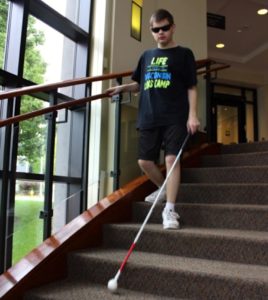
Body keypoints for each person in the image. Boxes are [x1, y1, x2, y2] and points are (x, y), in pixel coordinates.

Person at [106, 8, 200, 229]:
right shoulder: (146, 56)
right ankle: (164, 189)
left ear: (173, 27)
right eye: (156, 29)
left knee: (171, 160)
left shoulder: (184, 54)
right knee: (144, 161)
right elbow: (139, 84)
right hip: (148, 116)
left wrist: (192, 114)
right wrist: (122, 88)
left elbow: (192, 87)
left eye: (165, 28)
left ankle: (170, 209)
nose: (160, 33)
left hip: (176, 116)